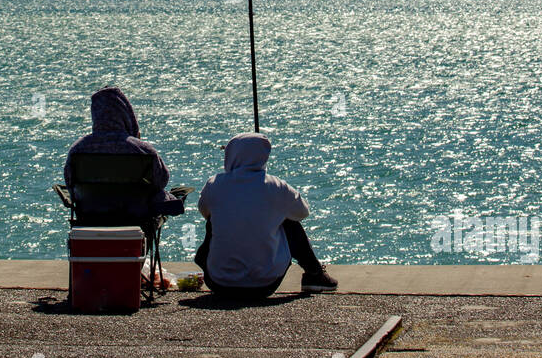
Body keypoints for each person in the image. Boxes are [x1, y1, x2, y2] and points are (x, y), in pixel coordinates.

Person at [194, 132, 337, 300]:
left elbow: (204, 211)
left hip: (219, 282)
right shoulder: (277, 186)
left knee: (216, 218)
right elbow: (302, 213)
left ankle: (226, 267)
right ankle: (314, 273)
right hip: (264, 284)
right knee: (289, 222)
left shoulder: (214, 184)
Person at [64, 86, 178, 214]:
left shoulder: (77, 150)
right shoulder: (143, 150)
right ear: (126, 113)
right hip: (136, 216)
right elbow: (161, 180)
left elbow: (70, 185)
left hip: (91, 215)